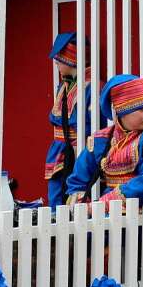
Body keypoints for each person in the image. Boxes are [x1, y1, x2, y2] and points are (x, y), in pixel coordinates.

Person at [66, 74, 143, 204]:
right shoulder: (100, 140)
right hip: (110, 213)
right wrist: (79, 199)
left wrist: (105, 201)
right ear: (122, 110)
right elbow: (79, 178)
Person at [45, 32, 95, 207]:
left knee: (76, 196)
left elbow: (89, 123)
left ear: (70, 59)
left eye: (60, 58)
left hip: (78, 149)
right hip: (58, 148)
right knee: (55, 194)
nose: (56, 63)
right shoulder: (64, 86)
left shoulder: (91, 87)